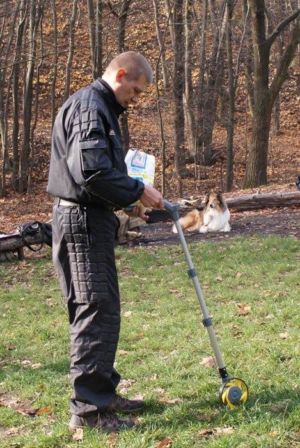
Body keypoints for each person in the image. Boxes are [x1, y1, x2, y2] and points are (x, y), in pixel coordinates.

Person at [47, 51, 164, 432]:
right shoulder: (89, 107)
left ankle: (104, 392)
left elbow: (97, 175)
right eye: (136, 89)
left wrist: (129, 203)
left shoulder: (102, 109)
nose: (136, 97)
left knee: (105, 307)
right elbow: (92, 171)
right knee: (93, 308)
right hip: (80, 221)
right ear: (122, 73)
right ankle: (89, 411)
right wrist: (137, 190)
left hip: (91, 219)